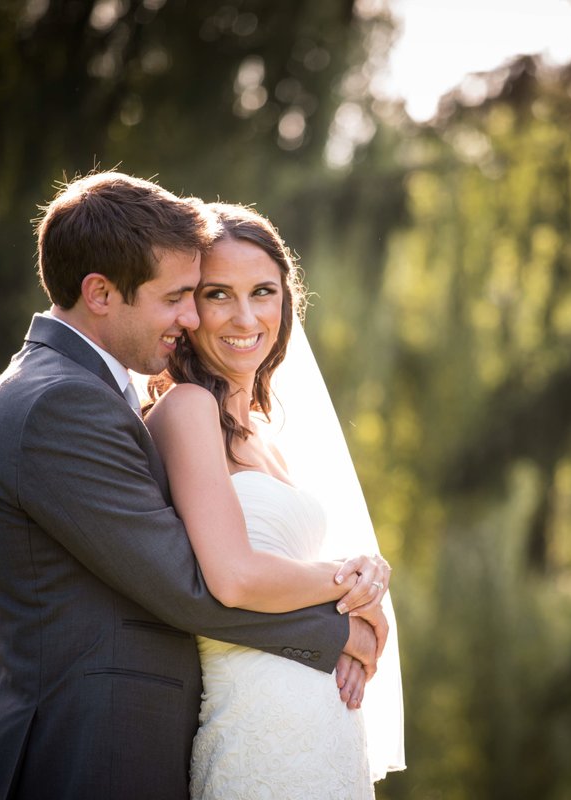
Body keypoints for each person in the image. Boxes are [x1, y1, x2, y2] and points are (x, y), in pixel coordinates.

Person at [0, 171, 387, 800]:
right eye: (179, 297)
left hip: (143, 740)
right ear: (100, 293)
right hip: (85, 750)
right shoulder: (58, 403)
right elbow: (192, 585)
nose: (189, 318)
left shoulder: (91, 393)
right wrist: (343, 619)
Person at [144, 201, 406, 798]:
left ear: (286, 301)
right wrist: (351, 586)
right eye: (218, 294)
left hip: (326, 727)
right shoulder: (187, 409)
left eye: (262, 292)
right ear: (188, 308)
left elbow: (285, 573)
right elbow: (234, 578)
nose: (245, 316)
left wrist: (364, 582)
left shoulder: (268, 433)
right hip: (258, 727)